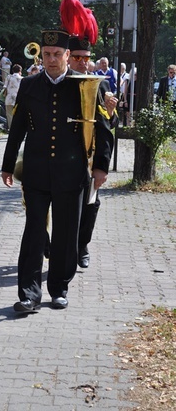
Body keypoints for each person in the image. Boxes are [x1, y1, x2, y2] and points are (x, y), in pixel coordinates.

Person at [1, 22, 114, 313]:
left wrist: (101, 167)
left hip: (72, 172)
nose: (51, 59)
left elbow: (103, 130)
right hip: (36, 171)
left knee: (65, 233)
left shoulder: (84, 85)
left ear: (67, 55)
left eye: (57, 53)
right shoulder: (29, 85)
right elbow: (18, 129)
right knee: (34, 232)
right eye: (47, 53)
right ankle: (29, 293)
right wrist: (7, 164)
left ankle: (60, 288)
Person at [67, 35, 118, 268]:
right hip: (63, 155)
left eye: (86, 58)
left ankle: (82, 246)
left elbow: (109, 126)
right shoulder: (60, 82)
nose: (82, 63)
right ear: (68, 58)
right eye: (77, 57)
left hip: (89, 157)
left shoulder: (102, 84)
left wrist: (111, 111)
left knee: (91, 204)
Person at [3, 64, 23, 129]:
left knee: (9, 115)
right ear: (20, 71)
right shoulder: (22, 79)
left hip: (9, 98)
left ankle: (11, 129)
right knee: (19, 115)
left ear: (13, 70)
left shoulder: (8, 77)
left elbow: (5, 87)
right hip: (19, 99)